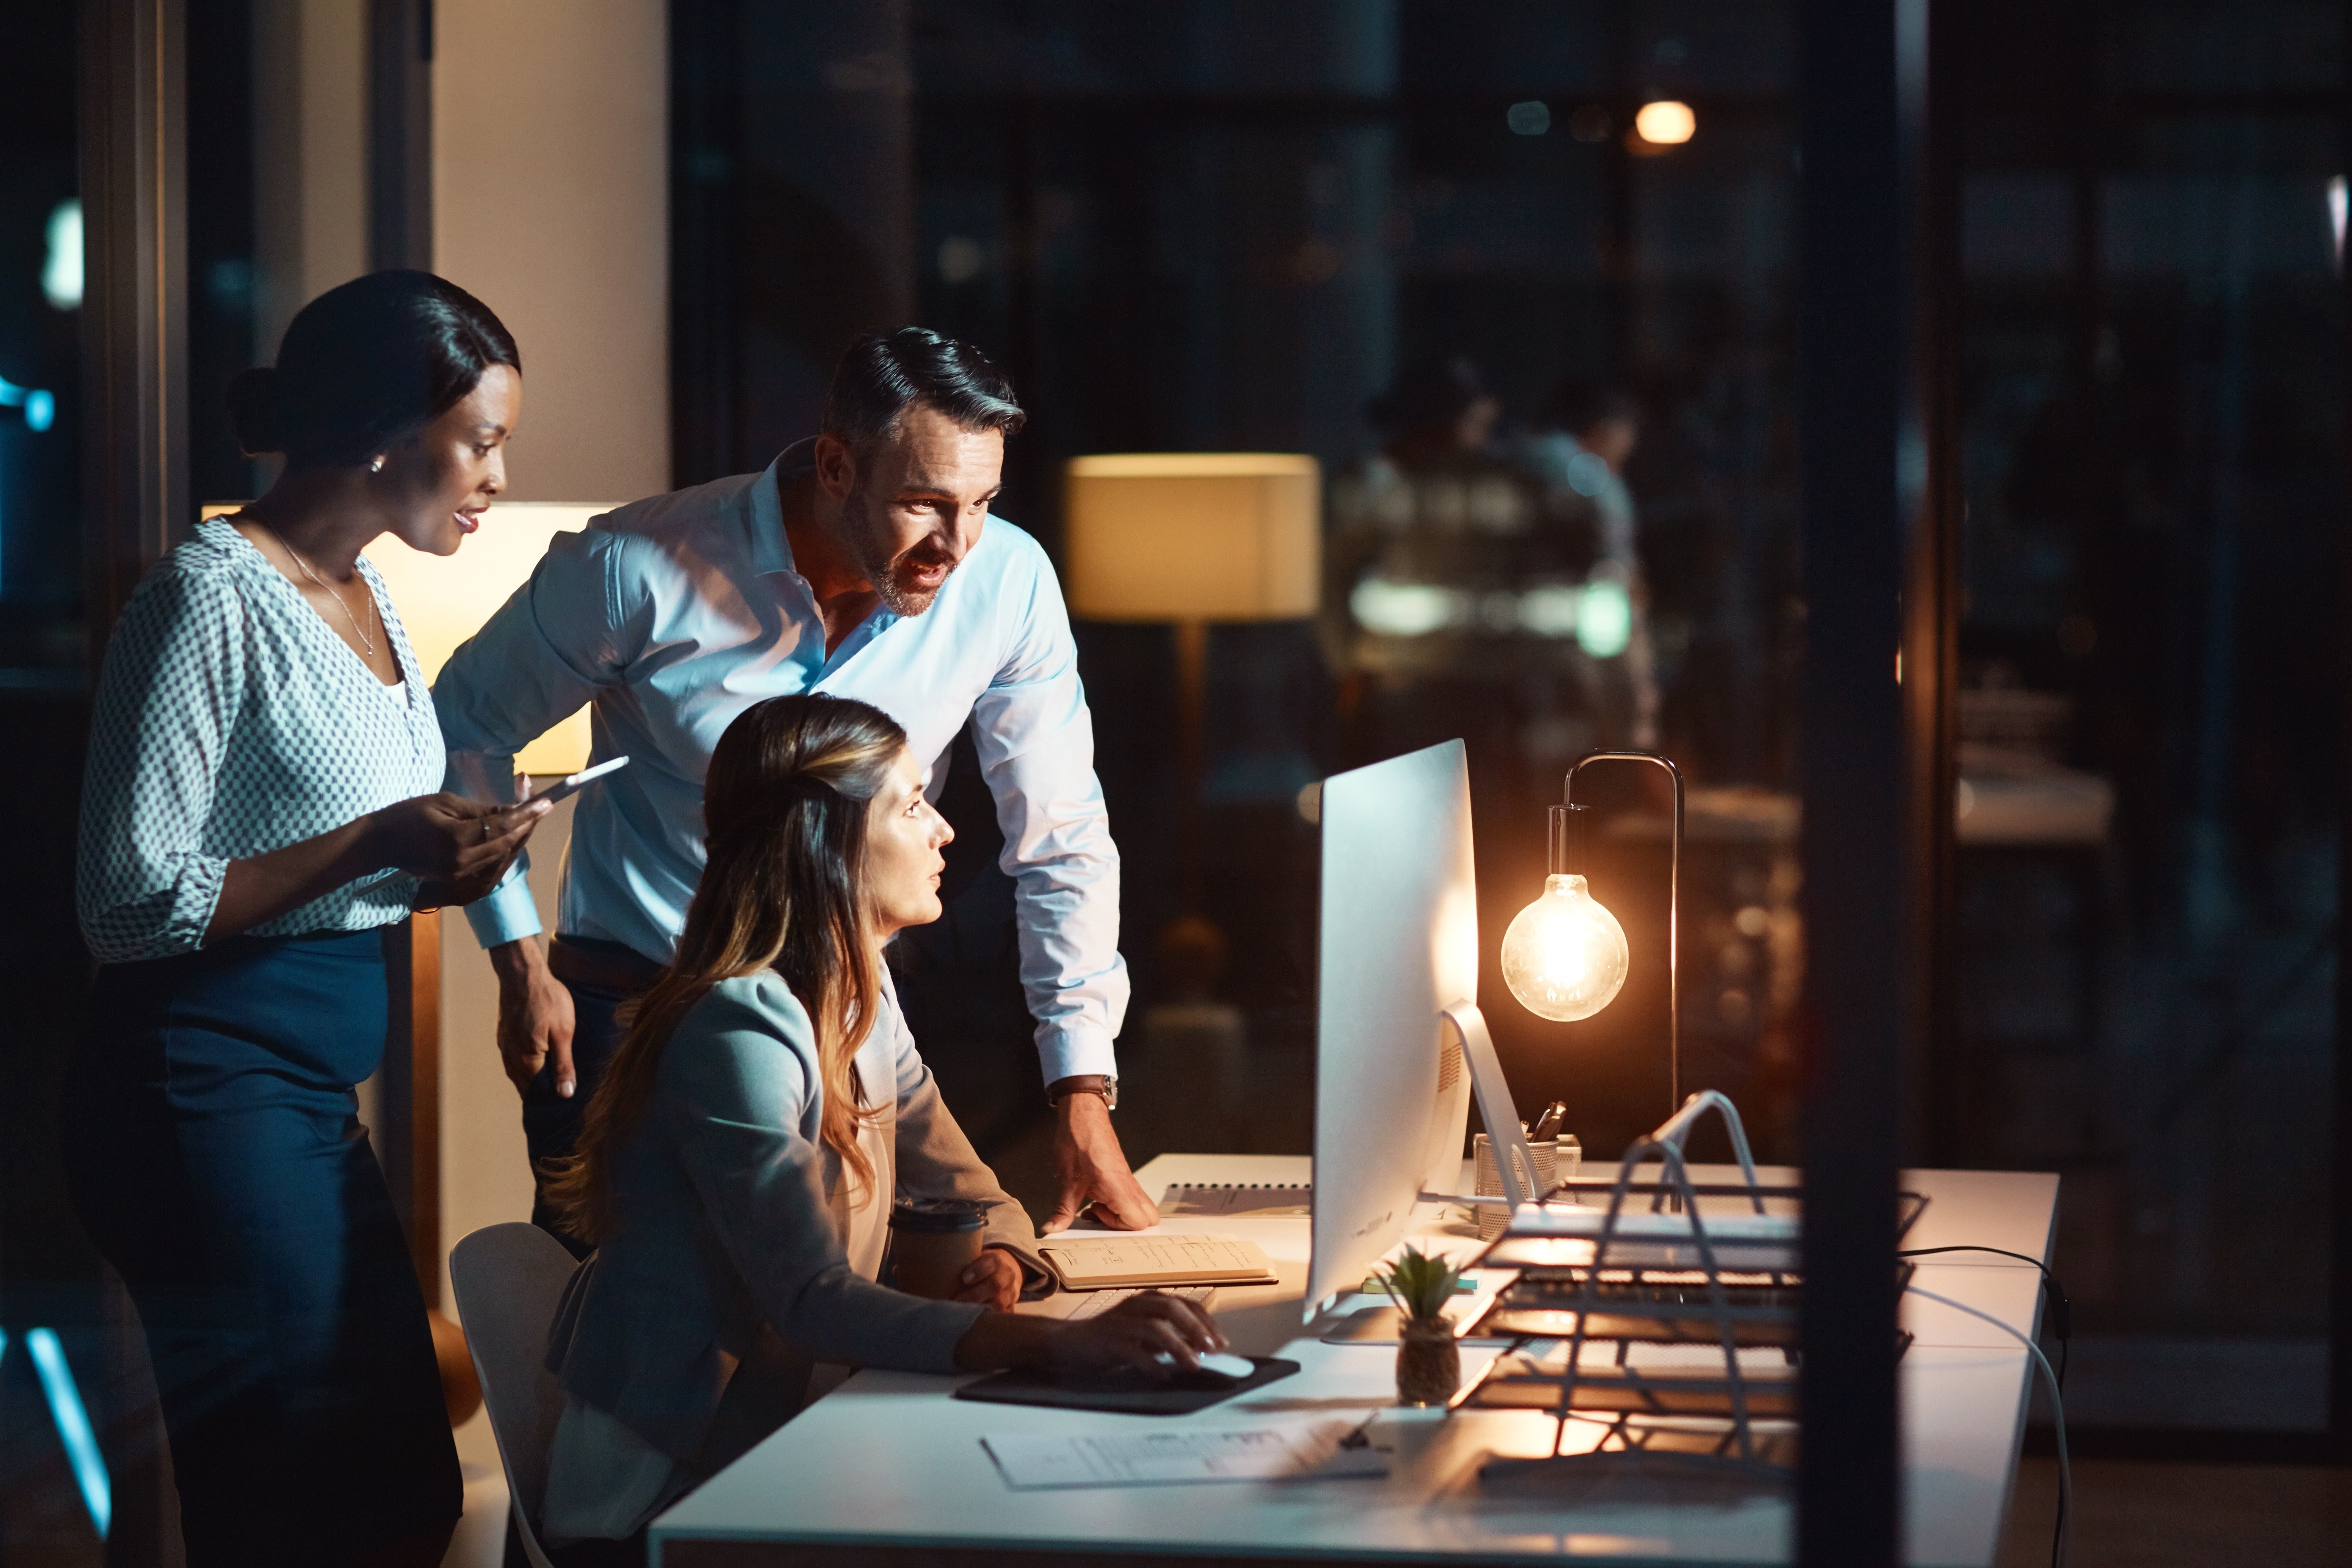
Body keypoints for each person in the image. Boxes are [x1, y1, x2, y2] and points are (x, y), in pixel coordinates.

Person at [433, 327, 1154, 1247]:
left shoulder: (1006, 581)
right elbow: (464, 728)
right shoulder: (632, 565)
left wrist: (1080, 1086)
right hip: (640, 1008)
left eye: (981, 502)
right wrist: (517, 958)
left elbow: (1060, 839)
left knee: (827, 1327)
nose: (958, 543)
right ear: (835, 466)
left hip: (846, 1009)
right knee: (628, 1344)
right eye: (924, 503)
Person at [65, 271, 550, 1568]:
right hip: (196, 1085)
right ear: (391, 430)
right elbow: (123, 898)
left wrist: (489, 894)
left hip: (301, 1096)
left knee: (401, 1482)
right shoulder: (205, 598)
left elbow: (393, 815)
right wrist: (380, 843)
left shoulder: (372, 592)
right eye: (484, 440)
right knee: (300, 1502)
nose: (497, 473)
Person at [533, 694, 1223, 1563]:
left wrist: (1002, 1261)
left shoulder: (859, 1001)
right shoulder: (736, 1030)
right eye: (909, 804)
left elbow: (976, 1191)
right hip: (666, 1505)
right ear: (824, 841)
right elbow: (811, 1302)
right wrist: (1066, 1345)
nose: (942, 831)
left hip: (790, 1442)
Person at [1511, 378, 1658, 749]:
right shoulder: (1583, 472)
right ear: (1604, 429)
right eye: (1628, 434)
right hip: (1579, 625)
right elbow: (1612, 560)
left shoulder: (1521, 456)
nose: (1631, 445)